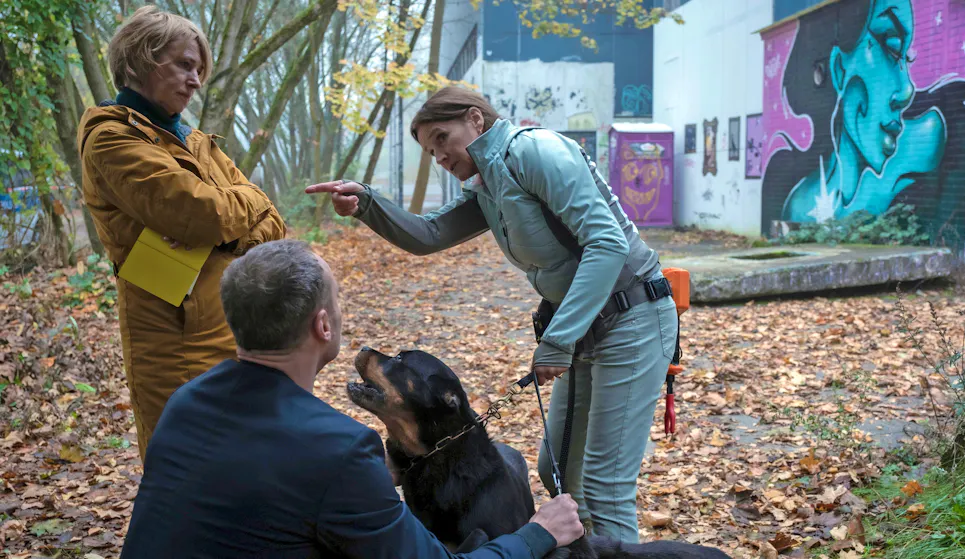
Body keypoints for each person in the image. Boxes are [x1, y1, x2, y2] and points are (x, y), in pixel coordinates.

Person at [305, 86, 678, 542]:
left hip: (632, 318)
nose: (439, 156)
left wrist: (558, 339)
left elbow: (607, 243)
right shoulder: (489, 184)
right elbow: (429, 234)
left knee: (603, 488)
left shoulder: (535, 153)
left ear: (475, 119)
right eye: (430, 150)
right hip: (585, 326)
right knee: (556, 470)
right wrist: (367, 202)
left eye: (442, 138)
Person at [120, 240, 584, 558]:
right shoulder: (339, 449)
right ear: (323, 326)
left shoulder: (184, 403)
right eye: (338, 301)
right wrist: (537, 534)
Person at [77, 6, 285, 460]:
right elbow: (201, 213)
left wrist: (229, 234)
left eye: (199, 70)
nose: (195, 81)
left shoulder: (193, 140)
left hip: (232, 319)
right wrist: (234, 215)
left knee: (241, 458)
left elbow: (273, 220)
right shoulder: (111, 138)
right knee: (185, 464)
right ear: (140, 60)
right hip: (170, 333)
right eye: (185, 65)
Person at [761, 0, 965, 247]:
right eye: (891, 48)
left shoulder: (928, 141)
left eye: (906, 59)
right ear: (840, 69)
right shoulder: (800, 203)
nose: (907, 90)